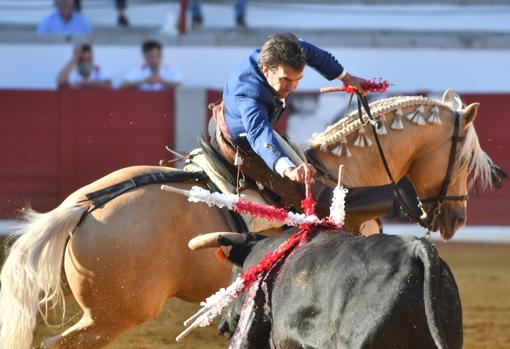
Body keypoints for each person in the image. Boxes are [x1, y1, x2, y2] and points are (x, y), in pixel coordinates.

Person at [212, 32, 367, 215]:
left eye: (297, 80)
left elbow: (318, 56)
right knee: (301, 192)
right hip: (239, 143)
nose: (291, 88)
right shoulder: (248, 92)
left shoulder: (292, 50)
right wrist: (290, 170)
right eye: (285, 79)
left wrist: (347, 78)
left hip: (261, 130)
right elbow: (259, 134)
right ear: (266, 71)